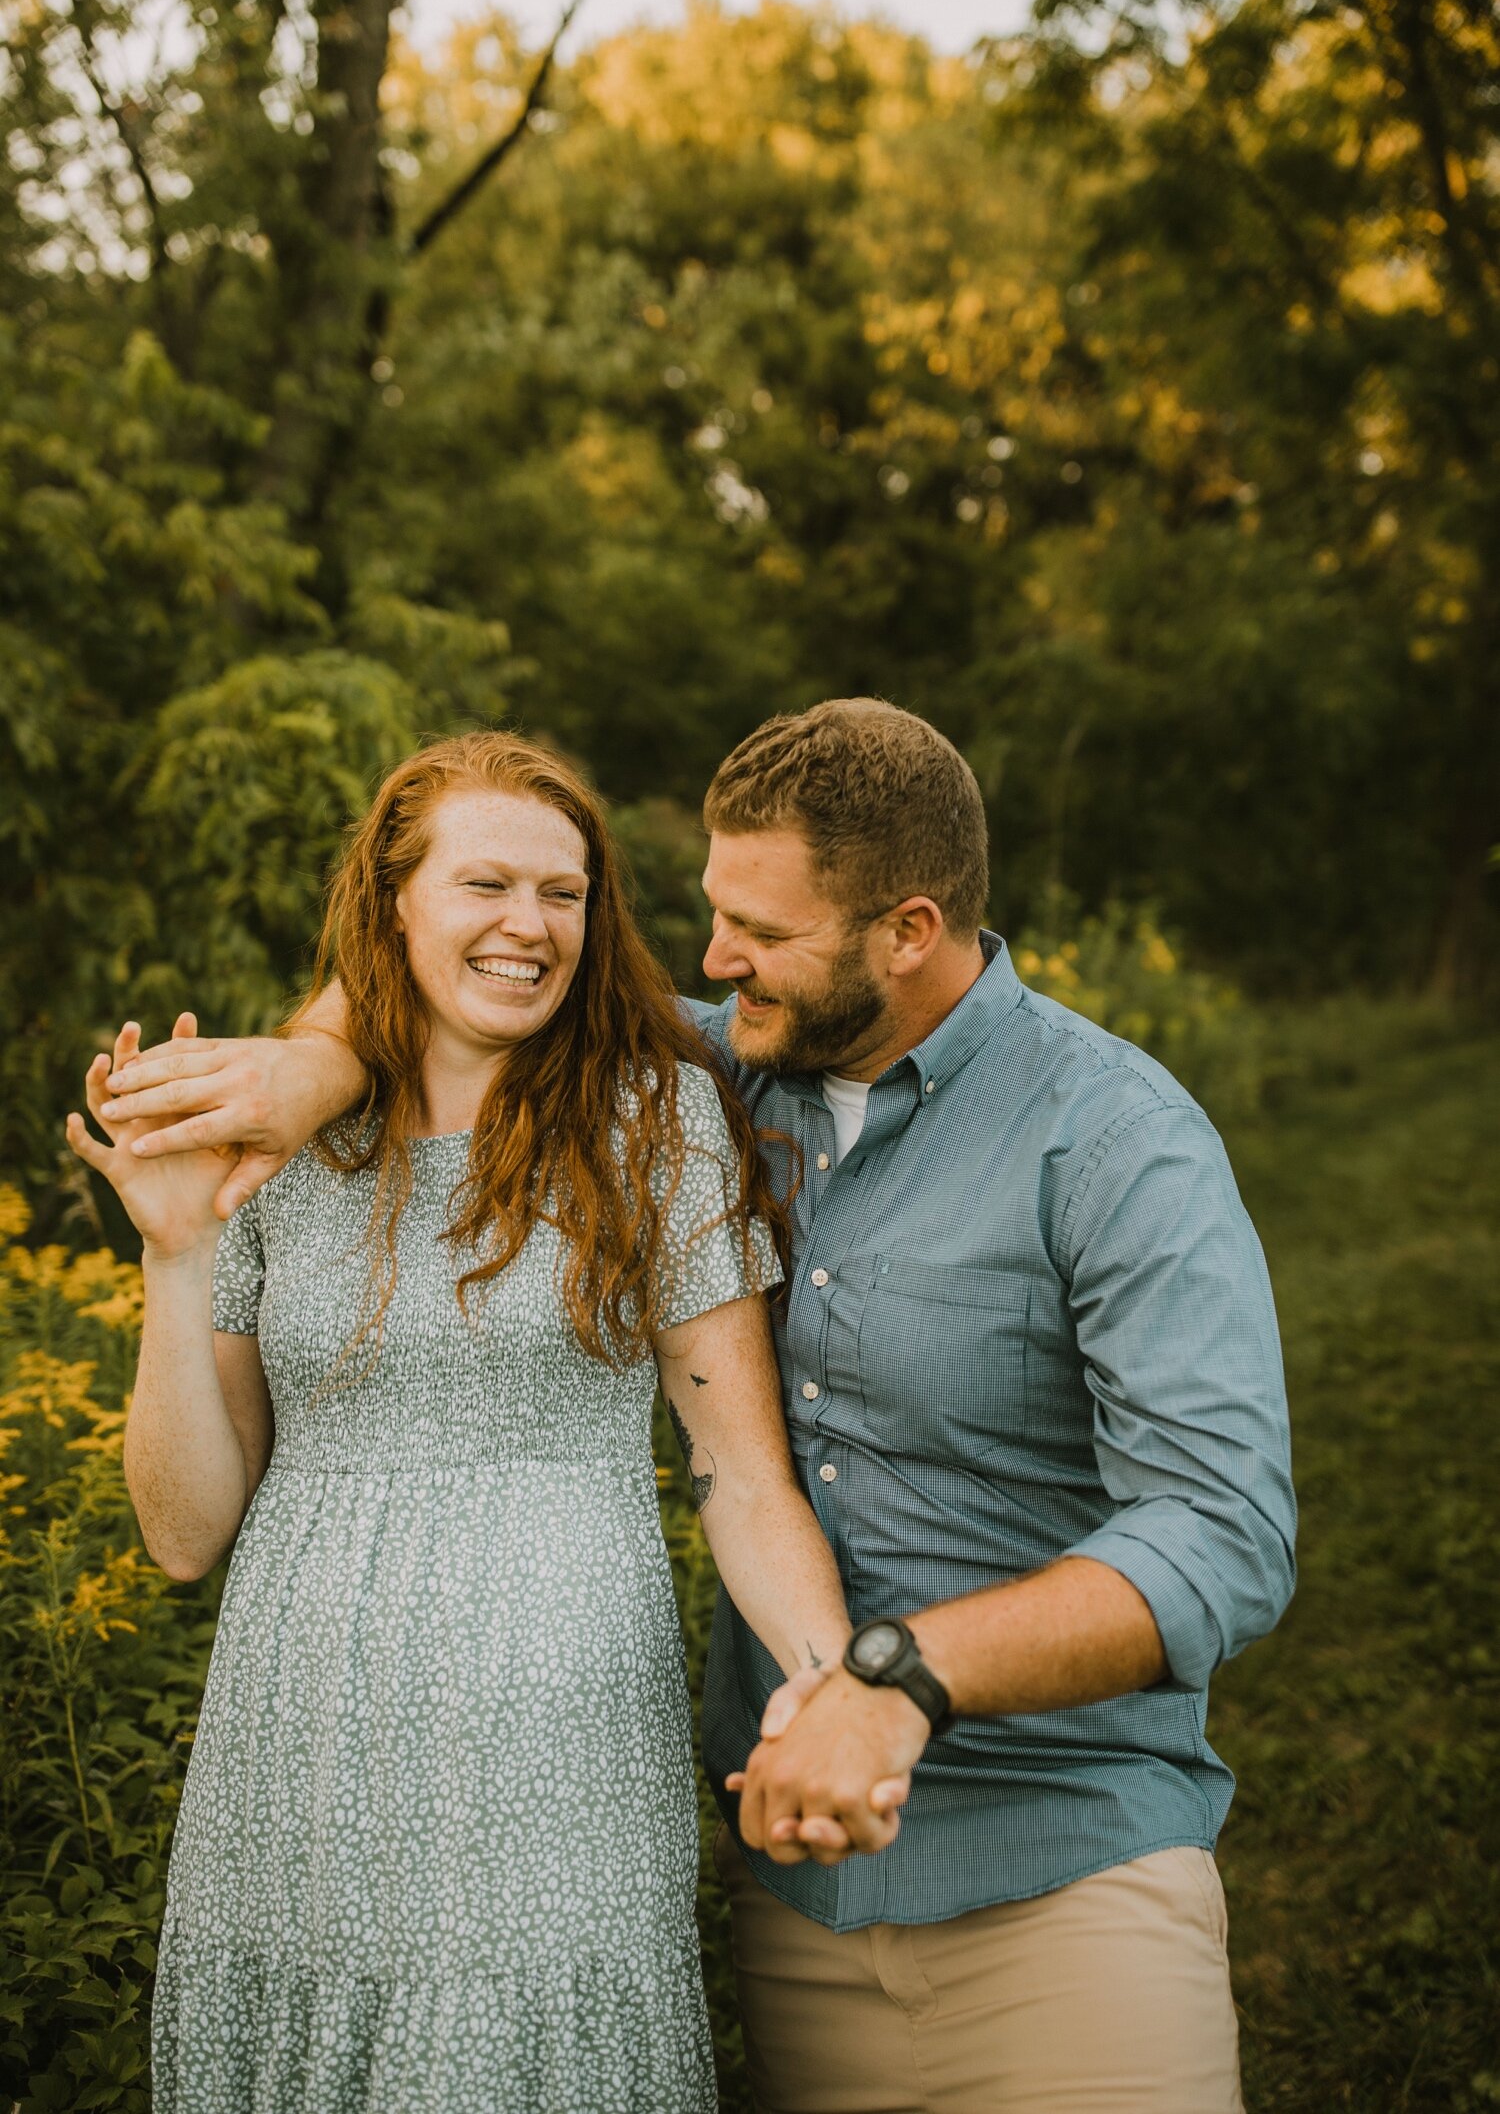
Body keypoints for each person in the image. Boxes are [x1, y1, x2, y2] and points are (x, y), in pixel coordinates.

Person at [101, 700, 1297, 2114]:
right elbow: (440, 979)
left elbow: (1222, 1533)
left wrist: (879, 1683)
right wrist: (299, 1076)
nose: (713, 965)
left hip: (1056, 1833)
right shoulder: (724, 1056)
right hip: (770, 1868)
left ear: (905, 932)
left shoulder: (1101, 1138)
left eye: (756, 932)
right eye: (706, 919)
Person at [68, 730, 856, 2114]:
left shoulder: (652, 1118)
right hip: (299, 1767)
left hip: (558, 1764)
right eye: (485, 884)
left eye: (564, 893)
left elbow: (740, 1475)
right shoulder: (286, 1144)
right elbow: (186, 1534)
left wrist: (836, 1684)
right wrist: (178, 1257)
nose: (528, 926)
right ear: (394, 904)